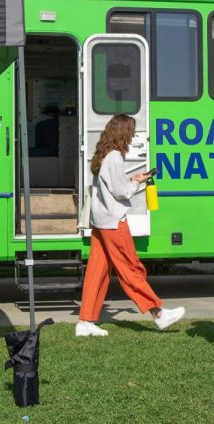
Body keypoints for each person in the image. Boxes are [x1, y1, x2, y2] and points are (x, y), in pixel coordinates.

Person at [76, 114, 185, 337]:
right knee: (130, 268)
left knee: (97, 272)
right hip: (114, 222)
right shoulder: (115, 156)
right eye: (131, 132)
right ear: (123, 133)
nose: (133, 135)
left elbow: (111, 187)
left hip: (101, 221)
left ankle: (85, 321)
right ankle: (158, 313)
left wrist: (131, 179)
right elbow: (120, 192)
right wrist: (136, 183)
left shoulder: (104, 155)